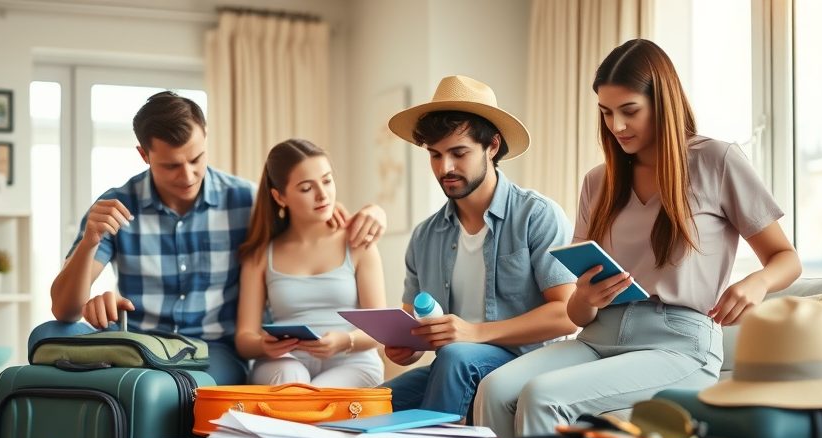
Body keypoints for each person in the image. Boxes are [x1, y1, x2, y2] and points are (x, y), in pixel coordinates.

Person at [474, 39, 803, 438]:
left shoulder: (717, 162)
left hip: (679, 345)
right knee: (494, 388)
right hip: (597, 337)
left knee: (544, 396)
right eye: (606, 113)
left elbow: (786, 259)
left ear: (662, 102)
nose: (617, 126)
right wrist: (588, 297)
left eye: (629, 111)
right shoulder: (598, 182)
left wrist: (755, 283)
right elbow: (577, 313)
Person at [32, 91, 386, 385]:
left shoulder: (245, 202)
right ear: (144, 155)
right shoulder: (117, 206)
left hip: (210, 351)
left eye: (197, 158)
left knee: (185, 387)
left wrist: (371, 210)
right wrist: (89, 241)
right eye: (171, 165)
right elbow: (64, 309)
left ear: (205, 137)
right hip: (138, 344)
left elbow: (306, 216)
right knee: (46, 335)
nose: (187, 175)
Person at [382, 75, 579, 418]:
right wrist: (407, 349)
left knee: (457, 355)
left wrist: (474, 333)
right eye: (435, 155)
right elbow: (413, 325)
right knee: (374, 401)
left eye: (459, 153)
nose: (445, 168)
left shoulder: (537, 215)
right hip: (452, 365)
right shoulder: (425, 237)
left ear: (492, 146)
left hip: (526, 363)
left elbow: (566, 314)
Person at [234, 138, 386, 387]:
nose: (323, 195)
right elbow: (244, 338)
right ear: (279, 196)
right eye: (306, 188)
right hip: (285, 361)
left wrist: (343, 341)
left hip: (352, 360)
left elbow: (380, 330)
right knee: (290, 380)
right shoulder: (261, 255)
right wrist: (263, 344)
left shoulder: (358, 243)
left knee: (314, 396)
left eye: (327, 180)